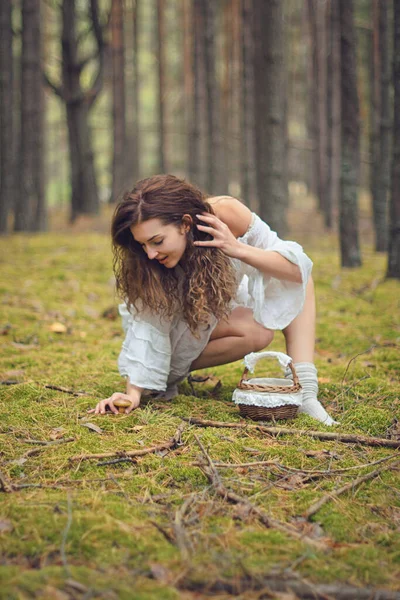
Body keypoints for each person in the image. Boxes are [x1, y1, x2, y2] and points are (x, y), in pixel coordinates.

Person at [89, 174, 337, 426]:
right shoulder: (148, 265)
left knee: (294, 277)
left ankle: (306, 392)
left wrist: (237, 248)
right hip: (169, 342)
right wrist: (133, 393)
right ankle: (161, 375)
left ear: (185, 223)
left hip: (211, 315)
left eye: (157, 242)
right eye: (143, 245)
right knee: (258, 329)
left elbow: (297, 270)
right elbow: (148, 326)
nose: (150, 254)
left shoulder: (227, 213)